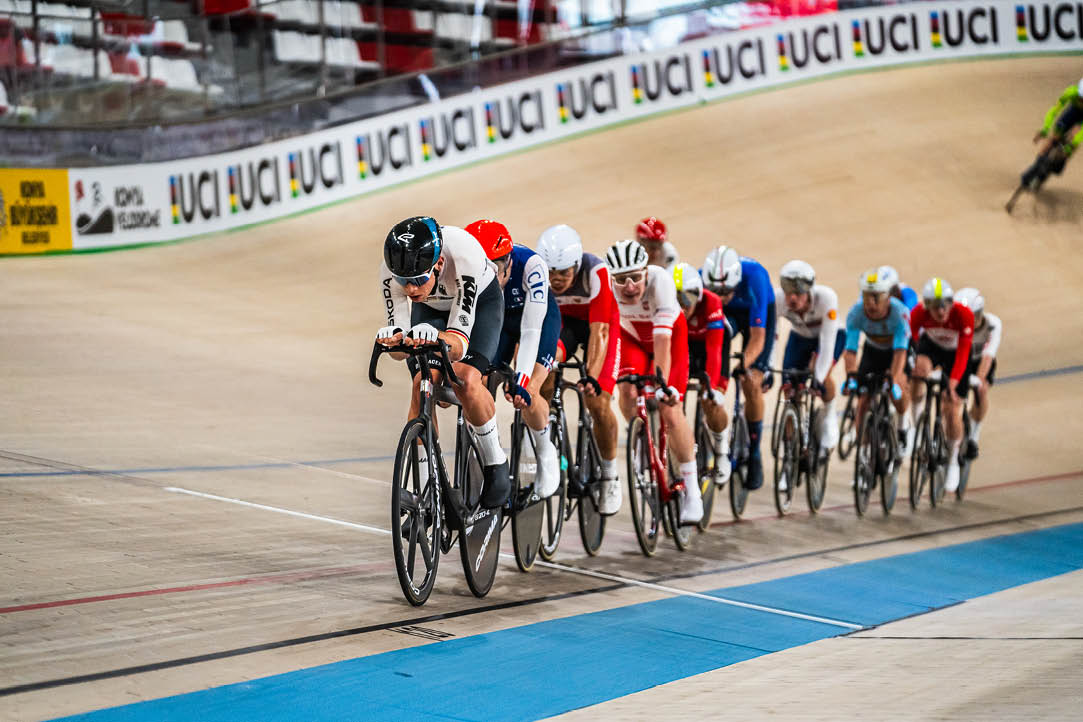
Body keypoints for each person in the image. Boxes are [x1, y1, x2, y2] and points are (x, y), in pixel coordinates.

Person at [376, 216, 509, 508]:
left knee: (464, 380)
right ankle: (426, 492)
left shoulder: (465, 254)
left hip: (479, 305)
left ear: (438, 264)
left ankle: (495, 462)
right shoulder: (392, 269)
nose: (410, 290)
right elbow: (400, 351)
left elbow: (458, 346)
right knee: (421, 384)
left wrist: (437, 337)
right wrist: (394, 340)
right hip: (430, 308)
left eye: (418, 280)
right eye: (404, 282)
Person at [607, 240, 703, 524]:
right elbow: (606, 335)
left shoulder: (661, 282)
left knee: (670, 409)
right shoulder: (607, 289)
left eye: (635, 277)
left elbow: (662, 342)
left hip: (670, 338)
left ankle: (693, 491)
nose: (629, 286)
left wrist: (663, 386)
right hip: (633, 339)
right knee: (626, 390)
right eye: (621, 280)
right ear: (611, 279)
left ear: (646, 273)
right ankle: (640, 438)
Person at [465, 219, 561, 499]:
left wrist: (522, 378)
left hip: (537, 321)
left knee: (528, 391)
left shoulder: (532, 266)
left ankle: (545, 451)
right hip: (499, 321)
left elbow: (531, 330)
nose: (494, 278)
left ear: (509, 262)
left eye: (498, 269)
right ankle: (489, 449)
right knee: (477, 380)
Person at [536, 224, 623, 515]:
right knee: (545, 368)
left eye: (563, 272)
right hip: (565, 326)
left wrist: (592, 379)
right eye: (551, 272)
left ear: (576, 265)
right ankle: (546, 431)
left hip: (600, 325)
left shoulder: (596, 272)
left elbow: (600, 332)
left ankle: (610, 474)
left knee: (597, 401)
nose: (556, 279)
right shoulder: (538, 274)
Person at [701, 245, 776, 491]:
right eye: (715, 291)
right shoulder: (701, 279)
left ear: (736, 282)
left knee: (750, 381)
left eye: (726, 291)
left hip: (757, 317)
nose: (720, 296)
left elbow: (758, 338)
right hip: (728, 317)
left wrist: (744, 364)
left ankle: (754, 452)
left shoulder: (755, 278)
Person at [775, 260, 845, 471]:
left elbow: (827, 344)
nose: (792, 298)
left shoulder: (827, 298)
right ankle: (789, 453)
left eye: (798, 292)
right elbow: (772, 338)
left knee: (820, 371)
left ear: (809, 290)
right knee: (790, 390)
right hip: (800, 338)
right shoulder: (778, 300)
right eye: (788, 292)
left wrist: (818, 378)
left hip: (830, 336)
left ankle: (830, 415)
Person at [909, 278, 974, 493]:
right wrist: (911, 367)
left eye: (945, 304)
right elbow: (912, 340)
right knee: (917, 371)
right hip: (933, 347)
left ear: (951, 303)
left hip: (957, 355)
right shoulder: (918, 314)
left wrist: (952, 384)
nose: (941, 310)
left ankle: (953, 459)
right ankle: (917, 424)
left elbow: (963, 353)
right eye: (935, 306)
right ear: (927, 306)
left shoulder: (963, 315)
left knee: (952, 409)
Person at [841, 266, 912, 465]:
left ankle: (902, 428)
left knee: (897, 388)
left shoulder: (900, 313)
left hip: (895, 351)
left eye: (876, 298)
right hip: (872, 351)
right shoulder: (856, 312)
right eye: (867, 297)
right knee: (863, 401)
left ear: (888, 297)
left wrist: (894, 378)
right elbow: (851, 350)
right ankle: (863, 453)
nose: (871, 304)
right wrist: (851, 375)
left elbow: (900, 352)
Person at [672, 262, 732, 484]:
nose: (682, 306)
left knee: (711, 401)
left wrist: (711, 388)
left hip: (712, 345)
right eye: (677, 299)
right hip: (685, 345)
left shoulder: (711, 302)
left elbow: (714, 351)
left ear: (698, 295)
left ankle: (722, 450)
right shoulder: (667, 307)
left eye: (687, 298)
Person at [955, 287, 1001, 459]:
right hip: (960, 358)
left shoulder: (993, 324)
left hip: (980, 361)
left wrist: (979, 380)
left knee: (981, 390)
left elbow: (988, 358)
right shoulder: (955, 324)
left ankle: (974, 434)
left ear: (979, 314)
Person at [1026, 77, 1083, 186]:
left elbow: (1082, 133)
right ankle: (1036, 165)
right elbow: (1054, 110)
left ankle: (1060, 160)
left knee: (1073, 139)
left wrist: (1071, 146)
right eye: (1080, 98)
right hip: (1073, 111)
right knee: (1054, 137)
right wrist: (1045, 129)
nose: (1082, 102)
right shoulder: (1070, 92)